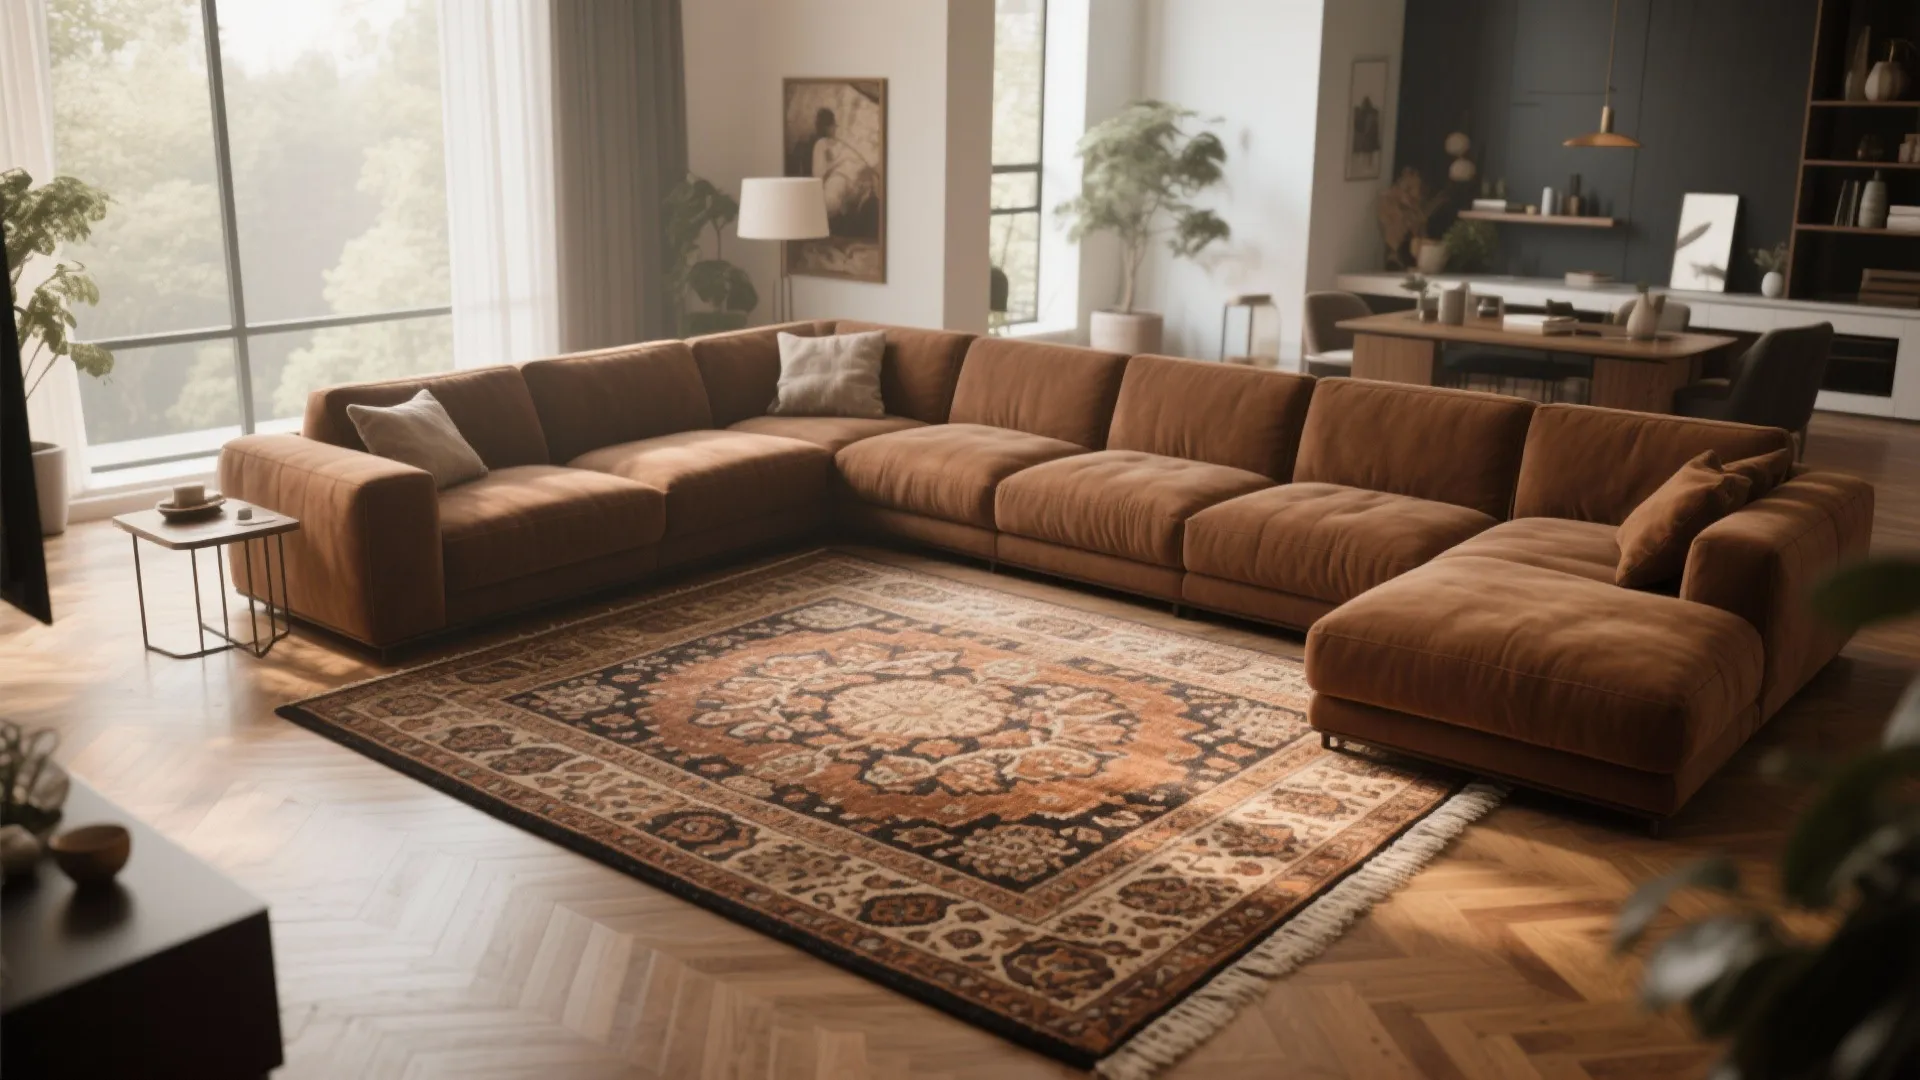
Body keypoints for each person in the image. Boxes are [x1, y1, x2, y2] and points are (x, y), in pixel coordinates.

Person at [807, 107, 879, 238]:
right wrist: (839, 162)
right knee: (833, 198)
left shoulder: (840, 143)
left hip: (852, 185)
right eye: (833, 126)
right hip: (836, 182)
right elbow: (818, 173)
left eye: (835, 126)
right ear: (827, 127)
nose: (835, 129)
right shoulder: (821, 144)